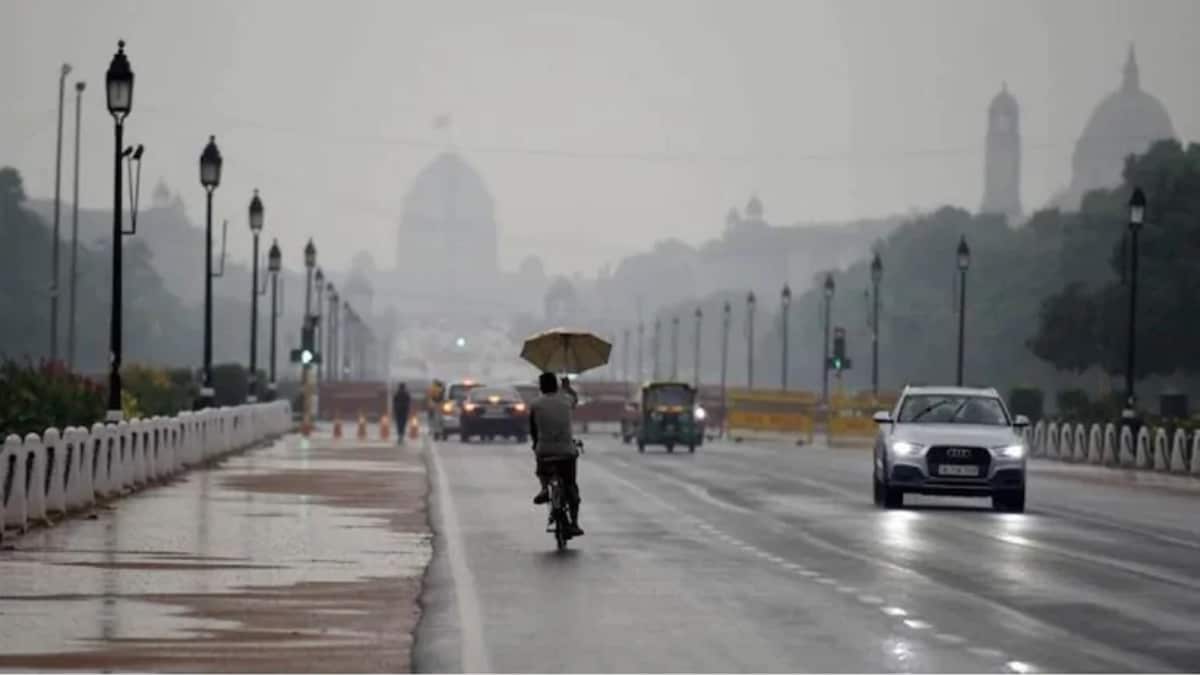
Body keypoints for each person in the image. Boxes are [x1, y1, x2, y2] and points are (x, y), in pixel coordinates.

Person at [530, 372, 583, 536]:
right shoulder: (566, 400)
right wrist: (567, 388)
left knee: (542, 470)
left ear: (541, 387)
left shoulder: (536, 404)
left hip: (545, 451)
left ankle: (544, 488)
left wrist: (536, 444)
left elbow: (533, 429)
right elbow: (575, 399)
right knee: (571, 485)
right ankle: (574, 523)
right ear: (556, 386)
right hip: (566, 452)